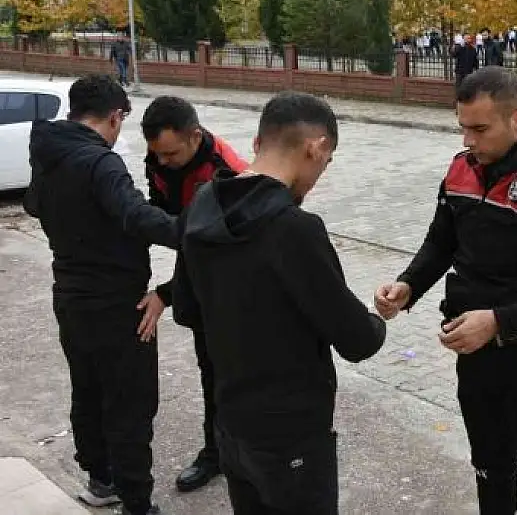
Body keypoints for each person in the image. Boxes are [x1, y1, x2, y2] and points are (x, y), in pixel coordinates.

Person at [374, 66, 517, 515]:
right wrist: (408, 284)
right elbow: (442, 241)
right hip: (477, 355)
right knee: (490, 468)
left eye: (479, 129)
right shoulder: (461, 170)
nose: (467, 141)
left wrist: (498, 322)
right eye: (462, 127)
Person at [172, 90, 387, 515]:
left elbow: (186, 309)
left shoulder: (201, 205)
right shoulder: (295, 229)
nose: (319, 174)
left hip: (231, 421)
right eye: (325, 163)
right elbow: (358, 340)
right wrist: (376, 318)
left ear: (257, 143)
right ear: (316, 147)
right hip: (292, 434)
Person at [23, 74, 176, 515]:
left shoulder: (49, 153)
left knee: (88, 390)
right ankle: (137, 503)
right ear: (115, 116)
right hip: (116, 303)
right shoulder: (99, 161)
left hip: (69, 296)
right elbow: (135, 216)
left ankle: (100, 480)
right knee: (129, 403)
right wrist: (193, 231)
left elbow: (35, 205)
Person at [139, 95, 249, 492]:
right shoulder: (162, 158)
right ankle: (217, 452)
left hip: (235, 284)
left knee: (237, 374)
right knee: (212, 372)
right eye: (157, 155)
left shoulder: (227, 175)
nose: (162, 161)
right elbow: (162, 216)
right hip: (198, 279)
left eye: (170, 153)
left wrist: (166, 293)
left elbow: (213, 250)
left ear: (195, 136)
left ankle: (246, 454)